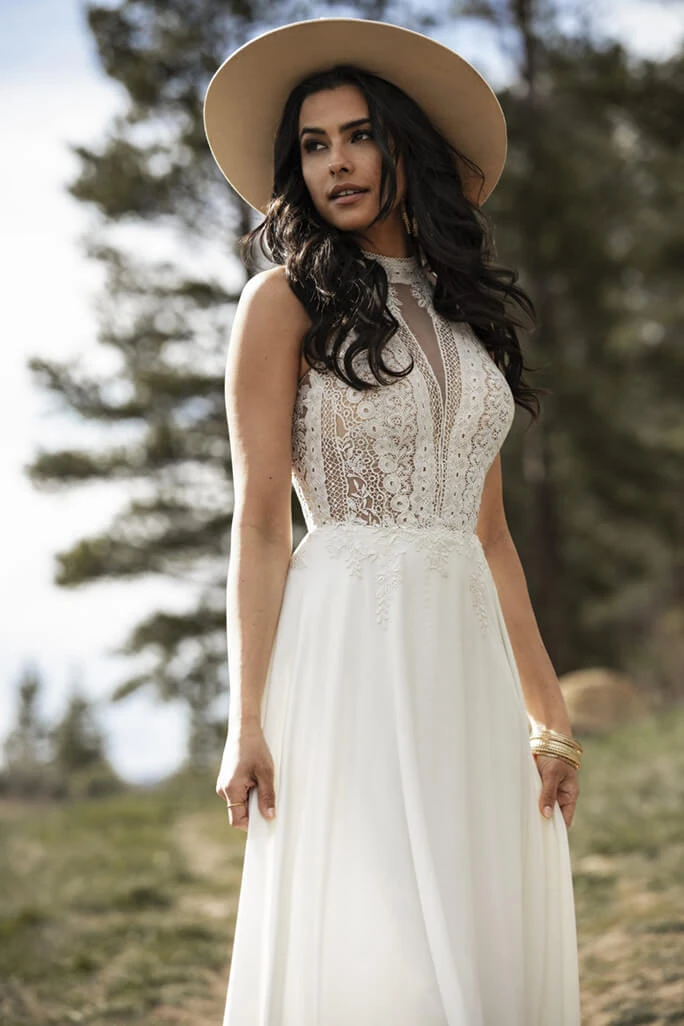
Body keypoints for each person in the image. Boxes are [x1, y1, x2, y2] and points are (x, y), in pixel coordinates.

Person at [203, 17, 582, 1026]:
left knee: (471, 923)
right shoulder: (280, 303)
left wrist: (550, 716)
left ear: (403, 146)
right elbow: (260, 525)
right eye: (315, 145)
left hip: (466, 661)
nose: (338, 162)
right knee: (384, 946)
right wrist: (246, 721)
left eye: (359, 135)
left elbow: (489, 534)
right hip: (348, 655)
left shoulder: (470, 316)